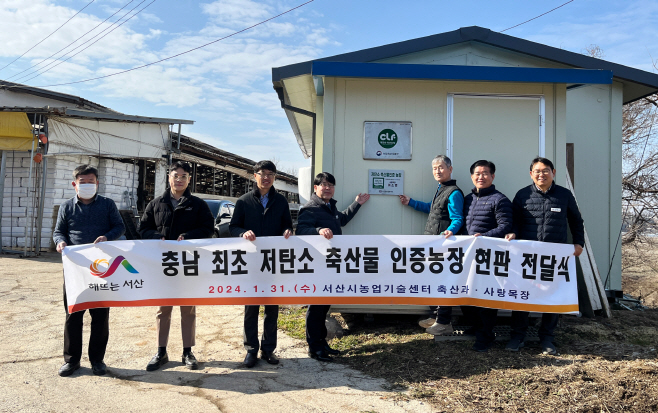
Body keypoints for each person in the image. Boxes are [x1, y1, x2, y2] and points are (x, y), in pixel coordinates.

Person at [504, 157, 584, 355]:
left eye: (545, 170)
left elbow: (576, 220)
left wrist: (578, 243)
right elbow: (514, 220)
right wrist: (513, 232)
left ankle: (547, 338)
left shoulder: (564, 195)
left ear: (553, 172)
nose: (542, 174)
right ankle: (517, 336)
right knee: (522, 297)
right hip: (527, 257)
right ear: (531, 174)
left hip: (553, 257)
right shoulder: (523, 195)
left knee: (552, 296)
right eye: (537, 171)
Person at [139, 161, 214, 371]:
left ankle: (187, 351)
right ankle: (161, 351)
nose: (179, 179)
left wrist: (188, 237)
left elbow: (209, 228)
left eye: (184, 176)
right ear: (169, 178)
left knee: (188, 309)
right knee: (163, 309)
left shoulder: (198, 204)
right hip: (164, 265)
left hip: (189, 263)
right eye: (176, 175)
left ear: (189, 179)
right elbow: (143, 228)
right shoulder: (156, 203)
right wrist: (157, 236)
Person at [53, 164, 125, 377]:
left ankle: (97, 360)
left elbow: (119, 227)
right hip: (75, 269)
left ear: (97, 183)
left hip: (102, 268)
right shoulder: (67, 207)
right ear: (75, 184)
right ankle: (72, 360)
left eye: (90, 182)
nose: (87, 185)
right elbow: (59, 232)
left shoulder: (107, 205)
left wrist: (107, 237)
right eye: (82, 182)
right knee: (73, 314)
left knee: (100, 316)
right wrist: (60, 242)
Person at [296, 172, 370, 362]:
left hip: (331, 264)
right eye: (323, 184)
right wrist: (318, 230)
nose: (327, 188)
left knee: (324, 306)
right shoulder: (310, 209)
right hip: (317, 265)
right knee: (316, 307)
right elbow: (301, 231)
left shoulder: (330, 207)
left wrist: (357, 204)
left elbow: (341, 220)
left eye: (330, 185)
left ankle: (322, 343)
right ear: (315, 188)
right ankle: (314, 348)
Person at [229, 160, 293, 368]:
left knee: (272, 307)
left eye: (270, 174)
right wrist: (242, 232)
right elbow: (233, 226)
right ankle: (251, 350)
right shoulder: (244, 201)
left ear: (275, 177)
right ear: (254, 176)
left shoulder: (281, 202)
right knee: (251, 307)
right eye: (262, 173)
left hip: (273, 261)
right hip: (251, 261)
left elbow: (288, 225)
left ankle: (268, 349)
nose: (266, 177)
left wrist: (287, 232)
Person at [399, 154, 464, 336]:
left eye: (441, 167)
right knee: (432, 281)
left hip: (443, 244)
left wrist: (450, 231)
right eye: (435, 168)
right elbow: (432, 208)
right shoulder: (441, 189)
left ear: (450, 169)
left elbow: (458, 218)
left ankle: (444, 322)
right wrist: (411, 203)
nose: (437, 171)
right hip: (432, 243)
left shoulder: (454, 192)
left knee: (443, 283)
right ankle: (435, 316)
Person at [461, 160, 513, 352]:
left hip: (488, 256)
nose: (480, 177)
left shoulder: (500, 200)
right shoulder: (467, 199)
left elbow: (505, 226)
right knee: (465, 295)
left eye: (485, 173)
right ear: (472, 176)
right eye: (477, 173)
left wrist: (483, 237)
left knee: (485, 298)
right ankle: (476, 327)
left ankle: (486, 336)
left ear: (492, 176)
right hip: (467, 256)